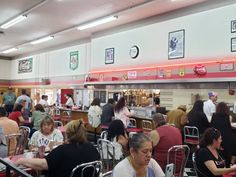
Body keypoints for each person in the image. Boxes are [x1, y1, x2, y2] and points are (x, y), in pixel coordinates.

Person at [15, 119, 100, 177]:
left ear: (68, 134)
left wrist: (22, 160)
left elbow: (43, 164)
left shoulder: (62, 150)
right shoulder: (93, 148)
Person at [211, 102, 236, 167]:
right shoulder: (228, 117)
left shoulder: (213, 116)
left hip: (215, 137)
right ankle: (230, 163)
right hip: (226, 139)